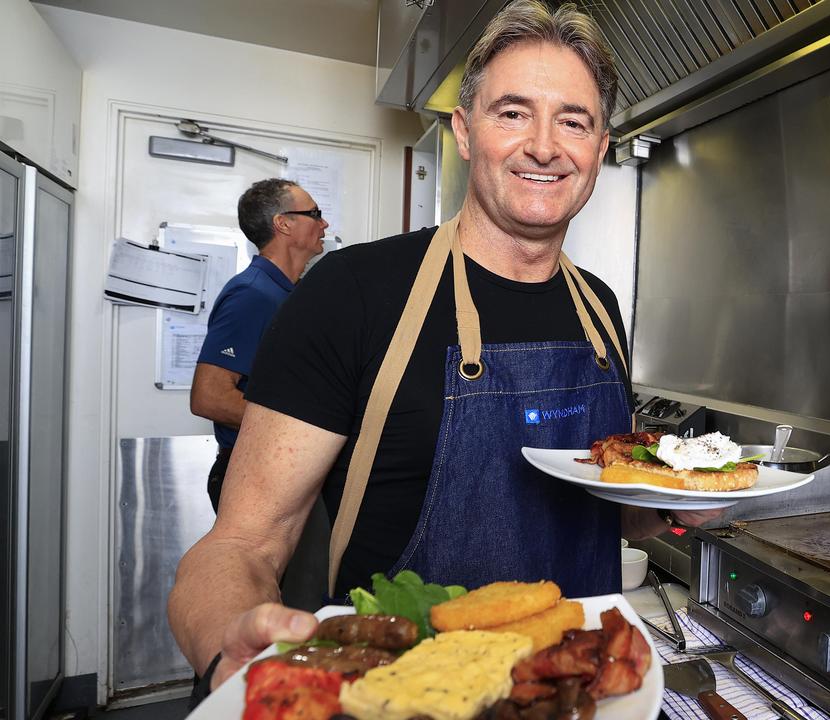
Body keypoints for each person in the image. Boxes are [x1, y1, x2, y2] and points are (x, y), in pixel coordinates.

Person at [168, 0, 722, 694]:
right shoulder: (354, 293)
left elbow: (602, 505)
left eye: (573, 120)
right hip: (407, 697)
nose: (545, 146)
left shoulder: (601, 311)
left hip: (577, 696)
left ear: (601, 145)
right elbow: (241, 544)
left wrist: (674, 500)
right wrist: (231, 654)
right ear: (464, 131)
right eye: (513, 112)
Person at [190, 178, 328, 511]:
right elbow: (209, 397)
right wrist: (307, 426)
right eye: (314, 213)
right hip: (252, 474)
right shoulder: (253, 295)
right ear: (283, 223)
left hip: (283, 471)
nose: (324, 223)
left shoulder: (288, 294)